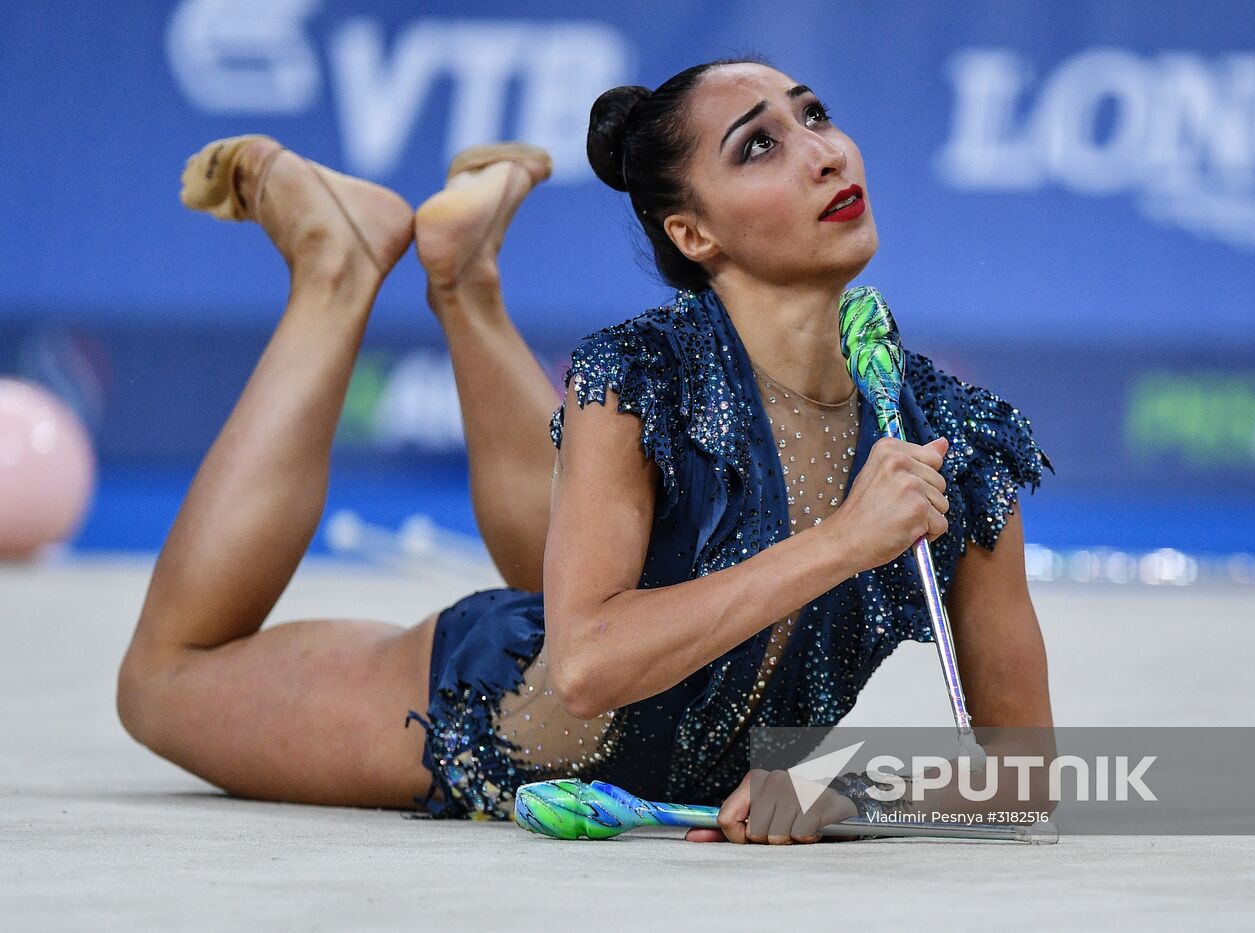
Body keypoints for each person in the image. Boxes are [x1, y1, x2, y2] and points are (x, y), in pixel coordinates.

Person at [116, 58, 1055, 845]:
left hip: (647, 643)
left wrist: (855, 785)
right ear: (694, 233)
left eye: (815, 115)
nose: (823, 153)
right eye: (760, 144)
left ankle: (463, 273)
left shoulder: (954, 442)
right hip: (500, 716)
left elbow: (1035, 773)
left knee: (638, 556)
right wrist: (843, 543)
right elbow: (589, 664)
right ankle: (337, 261)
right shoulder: (639, 374)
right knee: (160, 685)